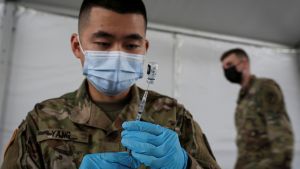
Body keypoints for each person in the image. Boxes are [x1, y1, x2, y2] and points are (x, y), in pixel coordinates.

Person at [1, 0, 221, 168]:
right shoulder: (41, 120)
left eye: (131, 45)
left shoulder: (174, 117)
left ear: (144, 48)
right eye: (103, 43)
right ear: (77, 46)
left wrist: (184, 164)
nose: (118, 54)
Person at [220, 48, 294, 169]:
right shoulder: (242, 100)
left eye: (229, 64)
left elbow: (282, 136)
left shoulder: (264, 88)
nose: (226, 70)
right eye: (224, 68)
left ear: (244, 63)